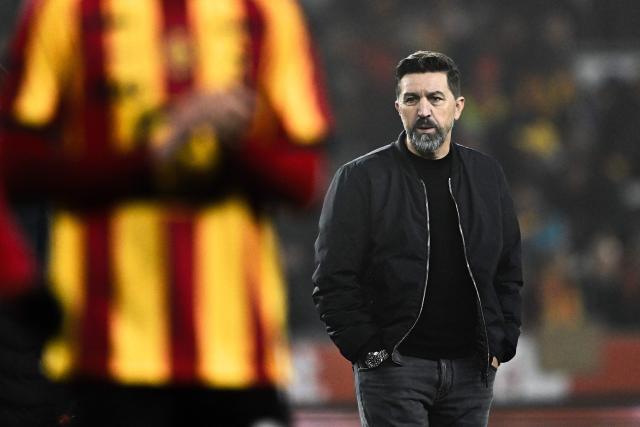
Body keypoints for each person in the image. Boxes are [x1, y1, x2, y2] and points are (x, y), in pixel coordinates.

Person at [0, 0, 331, 426]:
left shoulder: (265, 16)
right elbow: (26, 168)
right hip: (101, 351)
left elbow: (303, 182)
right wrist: (159, 147)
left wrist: (236, 142)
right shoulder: (63, 17)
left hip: (232, 353)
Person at [313, 50, 523, 426]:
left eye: (435, 98)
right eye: (412, 99)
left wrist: (500, 346)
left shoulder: (487, 175)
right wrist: (369, 352)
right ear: (398, 107)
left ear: (457, 107)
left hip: (471, 374)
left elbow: (509, 270)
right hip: (394, 371)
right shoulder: (359, 179)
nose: (424, 109)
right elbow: (333, 279)